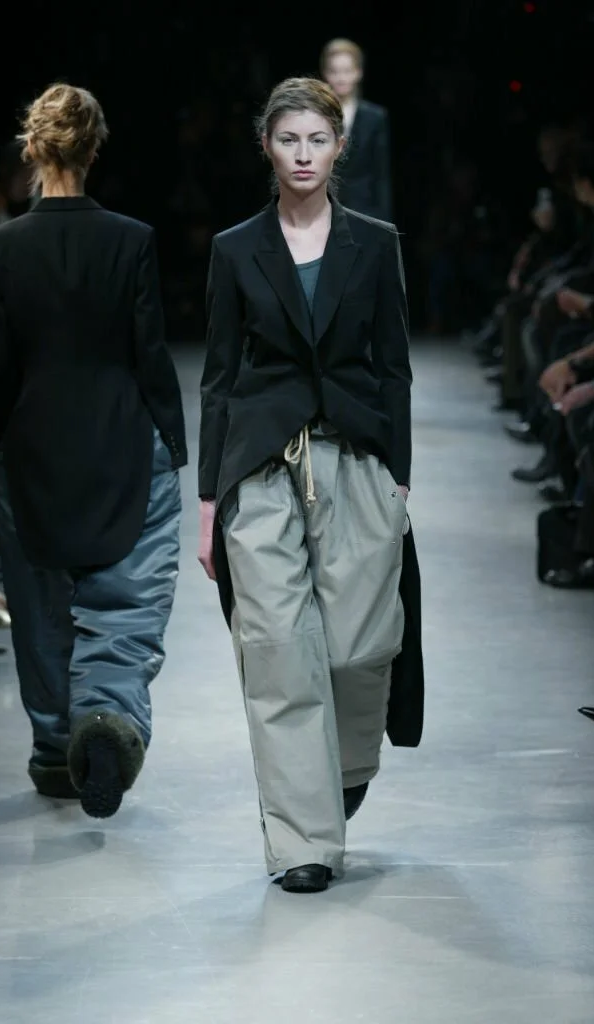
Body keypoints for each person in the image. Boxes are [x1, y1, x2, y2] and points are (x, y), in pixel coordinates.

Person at [197, 76, 424, 894]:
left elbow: (393, 366)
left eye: (316, 140)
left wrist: (399, 476)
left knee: (361, 644)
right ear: (267, 146)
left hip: (356, 458)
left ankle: (346, 767)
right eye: (288, 140)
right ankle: (302, 842)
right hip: (259, 464)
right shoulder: (234, 249)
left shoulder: (375, 242)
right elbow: (219, 377)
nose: (302, 155)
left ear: (338, 147)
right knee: (276, 651)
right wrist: (208, 502)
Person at [0, 84, 187, 818]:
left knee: (39, 601)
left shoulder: (1, 248)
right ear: (94, 149)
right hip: (119, 432)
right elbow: (148, 352)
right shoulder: (131, 239)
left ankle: (52, 746)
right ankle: (106, 715)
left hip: (32, 441)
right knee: (126, 590)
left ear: (33, 149)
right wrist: (174, 438)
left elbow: (0, 367)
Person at [320, 38, 392, 222]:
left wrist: (382, 223)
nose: (341, 78)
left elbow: (381, 175)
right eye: (334, 71)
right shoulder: (316, 116)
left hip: (363, 212)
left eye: (347, 71)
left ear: (358, 73)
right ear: (325, 74)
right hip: (321, 210)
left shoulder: (375, 117)